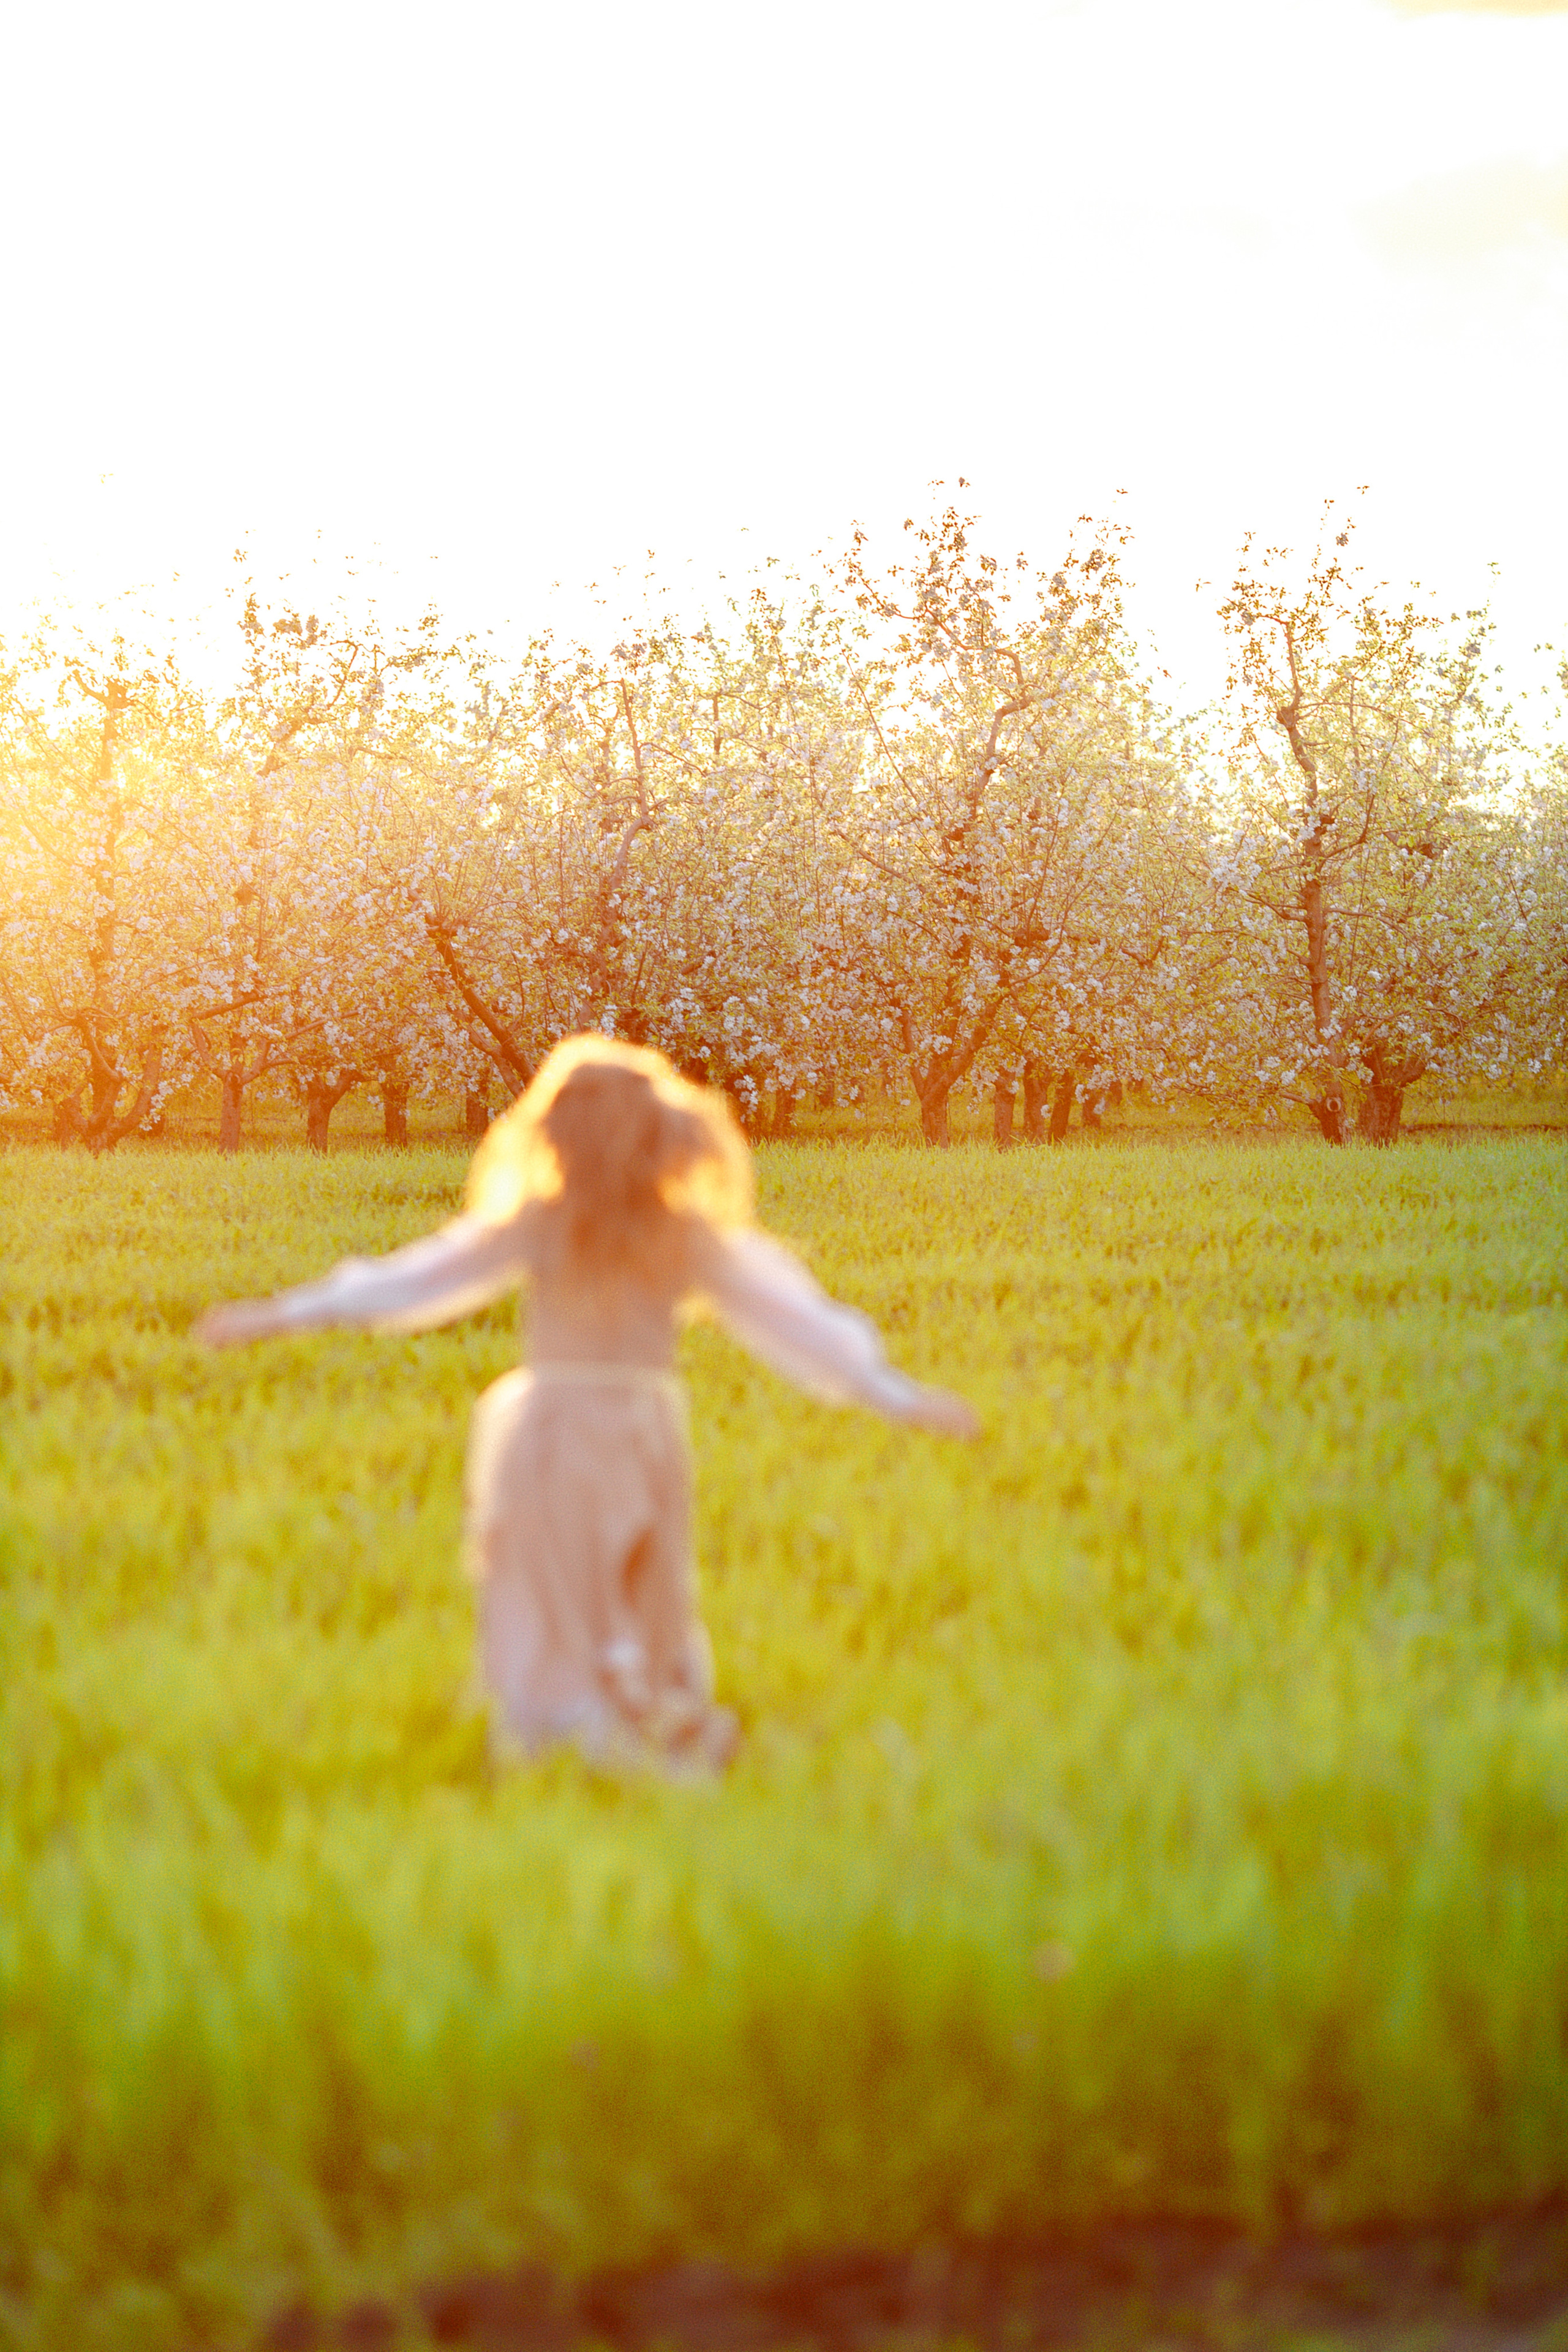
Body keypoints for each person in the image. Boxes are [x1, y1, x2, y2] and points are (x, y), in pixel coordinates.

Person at [199, 1036, 978, 1771]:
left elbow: (413, 1280)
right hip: (638, 1428)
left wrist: (281, 1314)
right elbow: (790, 1318)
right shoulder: (672, 1232)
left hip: (560, 1430)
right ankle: (644, 1714)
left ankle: (581, 1723)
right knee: (647, 1585)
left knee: (568, 1589)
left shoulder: (550, 1223)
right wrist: (893, 1394)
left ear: (557, 1137)